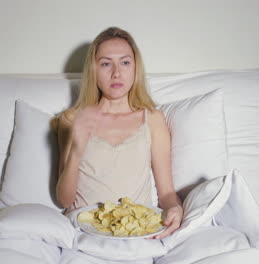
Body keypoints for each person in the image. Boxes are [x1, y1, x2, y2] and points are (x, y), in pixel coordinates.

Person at [56, 27, 183, 239]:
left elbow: (167, 193)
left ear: (135, 68)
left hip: (135, 233)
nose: (116, 73)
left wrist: (175, 209)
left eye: (125, 62)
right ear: (93, 70)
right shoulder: (72, 119)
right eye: (106, 64)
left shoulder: (152, 119)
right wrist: (77, 149)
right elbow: (64, 200)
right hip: (83, 232)